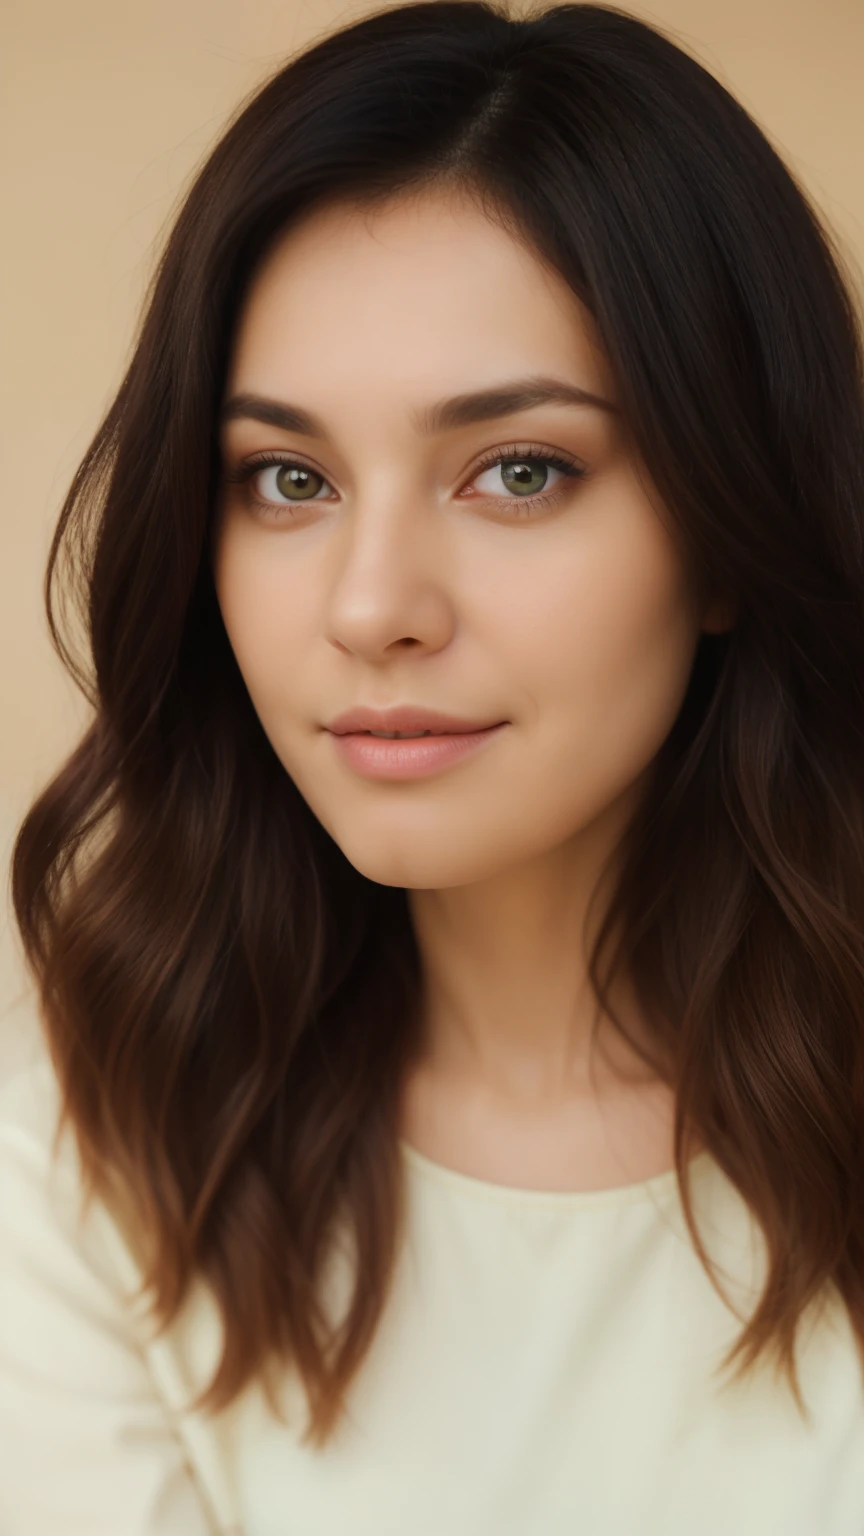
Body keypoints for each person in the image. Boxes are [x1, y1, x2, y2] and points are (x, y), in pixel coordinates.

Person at [3, 1, 864, 1530]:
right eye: (287, 478)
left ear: (734, 522)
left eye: (518, 470)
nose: (367, 606)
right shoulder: (93, 1155)